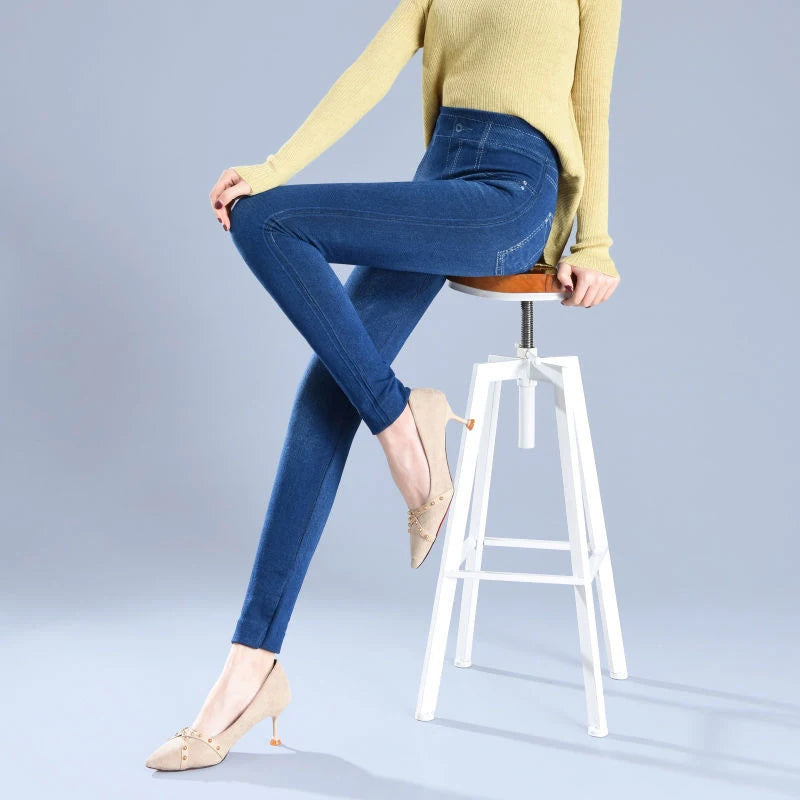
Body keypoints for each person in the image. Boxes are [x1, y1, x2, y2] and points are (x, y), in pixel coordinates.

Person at [146, 0, 622, 771]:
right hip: (441, 176)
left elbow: (590, 101)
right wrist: (273, 168)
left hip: (512, 196)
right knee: (321, 387)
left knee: (277, 229)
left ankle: (401, 427)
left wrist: (593, 241)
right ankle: (252, 666)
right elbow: (369, 69)